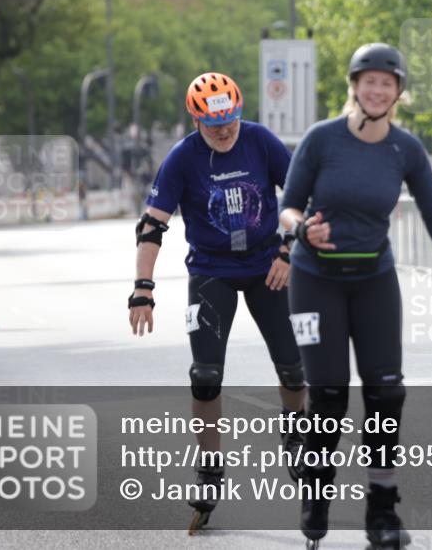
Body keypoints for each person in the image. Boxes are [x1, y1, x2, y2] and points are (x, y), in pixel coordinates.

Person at [279, 43, 432, 550]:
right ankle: (316, 491)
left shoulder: (406, 150)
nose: (377, 90)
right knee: (329, 397)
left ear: (398, 92)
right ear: (354, 86)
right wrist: (301, 229)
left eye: (387, 82)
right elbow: (287, 207)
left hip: (373, 279)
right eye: (369, 81)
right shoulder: (322, 139)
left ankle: (382, 511)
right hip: (315, 281)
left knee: (386, 393)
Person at [127, 72, 306, 534]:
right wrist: (143, 288)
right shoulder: (183, 157)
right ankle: (209, 472)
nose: (225, 131)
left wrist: (288, 250)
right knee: (205, 377)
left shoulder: (260, 141)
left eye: (230, 122)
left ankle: (296, 435)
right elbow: (151, 225)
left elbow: (299, 199)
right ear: (196, 120)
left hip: (267, 265)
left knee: (293, 368)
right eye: (213, 125)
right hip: (212, 271)